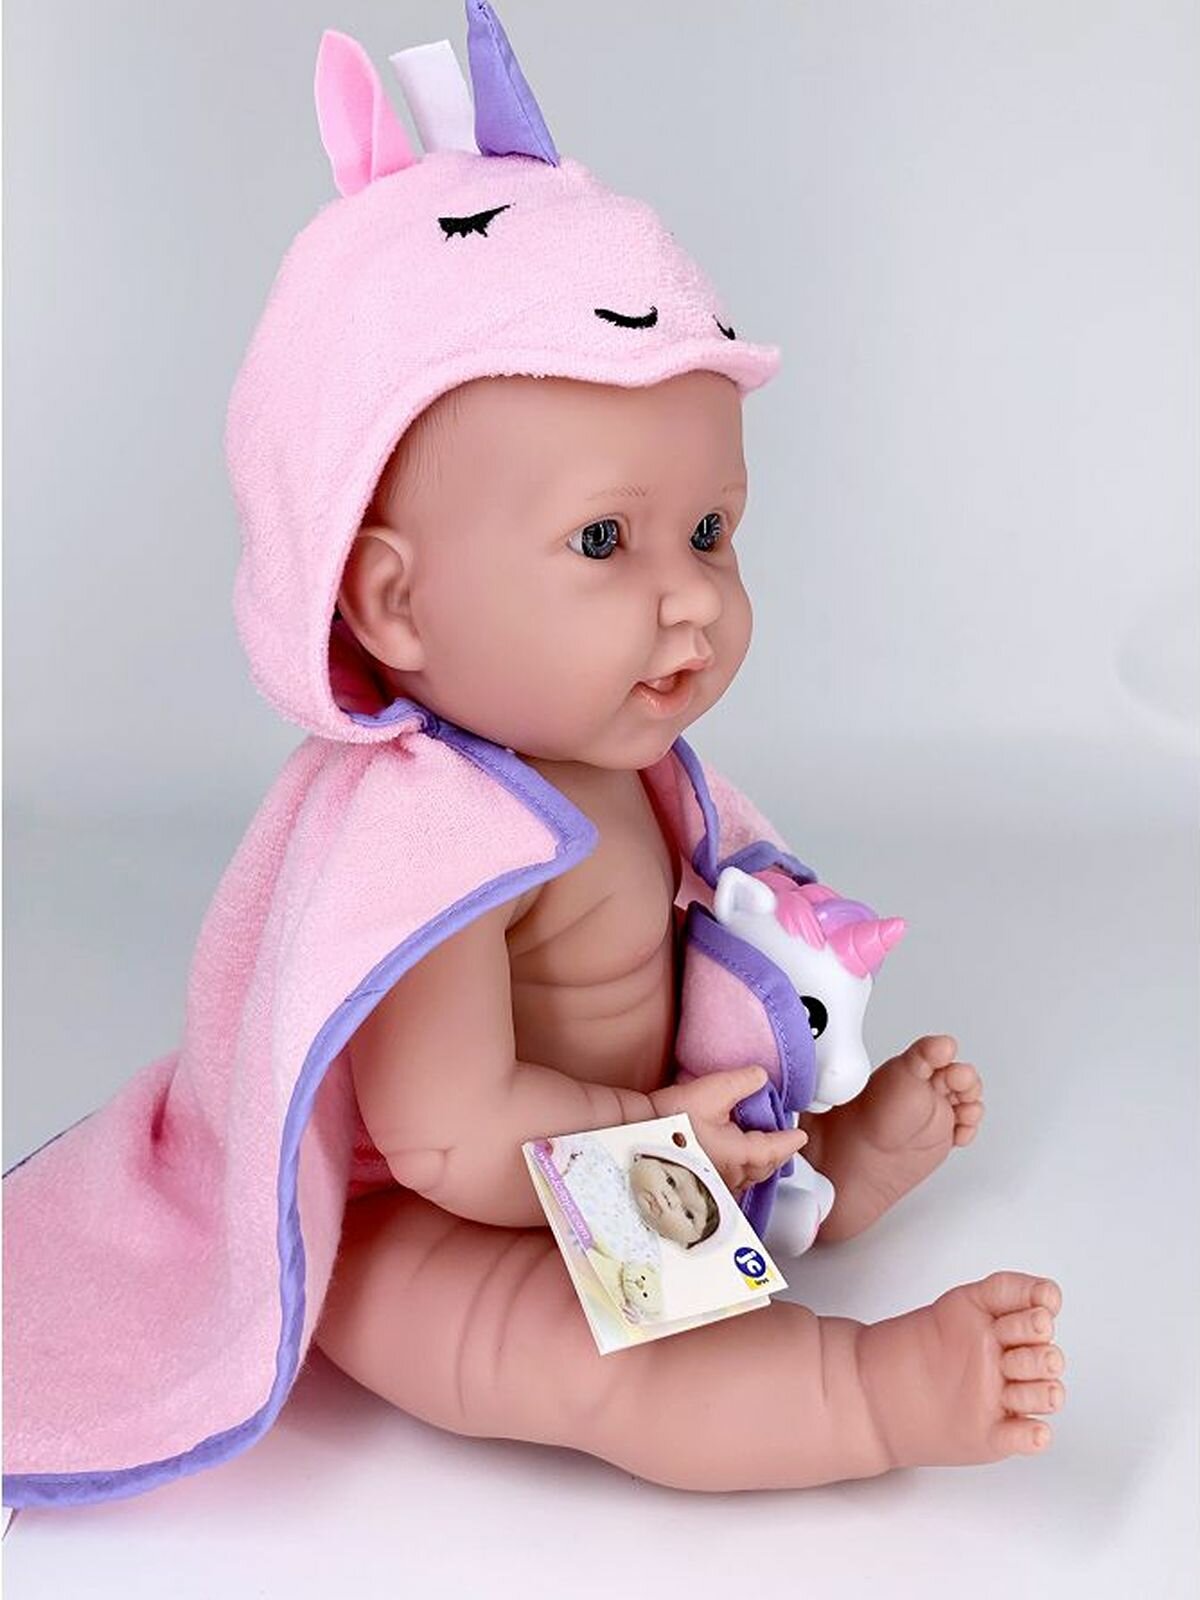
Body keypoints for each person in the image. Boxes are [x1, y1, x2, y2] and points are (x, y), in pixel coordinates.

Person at [1, 4, 1064, 1507]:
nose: (690, 597)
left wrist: (712, 1115)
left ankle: (810, 1180)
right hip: (435, 1218)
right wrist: (652, 1140)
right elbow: (447, 1139)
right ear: (395, 603)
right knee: (577, 1350)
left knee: (712, 1194)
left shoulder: (614, 761)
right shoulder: (426, 854)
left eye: (711, 530)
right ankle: (864, 1391)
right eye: (605, 542)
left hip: (634, 1143)